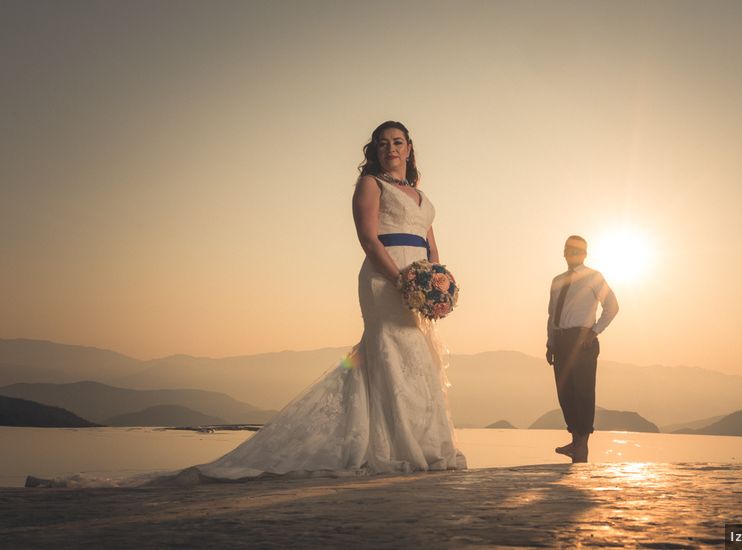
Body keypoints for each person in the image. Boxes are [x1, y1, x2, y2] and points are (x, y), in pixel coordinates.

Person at [26, 121, 465, 487]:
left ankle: (422, 446)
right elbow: (368, 238)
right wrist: (401, 279)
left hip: (418, 287)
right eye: (384, 142)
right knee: (390, 354)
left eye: (399, 142)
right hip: (383, 281)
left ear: (409, 149)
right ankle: (396, 451)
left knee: (420, 360)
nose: (391, 148)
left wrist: (436, 284)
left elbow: (432, 247)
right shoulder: (370, 185)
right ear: (375, 150)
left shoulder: (424, 198)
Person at [545, 235, 619, 463]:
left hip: (583, 339)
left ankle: (582, 447)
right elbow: (551, 315)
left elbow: (612, 306)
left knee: (584, 393)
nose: (572, 253)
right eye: (568, 249)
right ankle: (576, 442)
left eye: (577, 250)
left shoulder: (593, 277)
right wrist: (550, 343)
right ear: (564, 251)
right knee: (565, 392)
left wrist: (595, 331)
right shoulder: (557, 280)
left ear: (584, 254)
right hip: (561, 340)